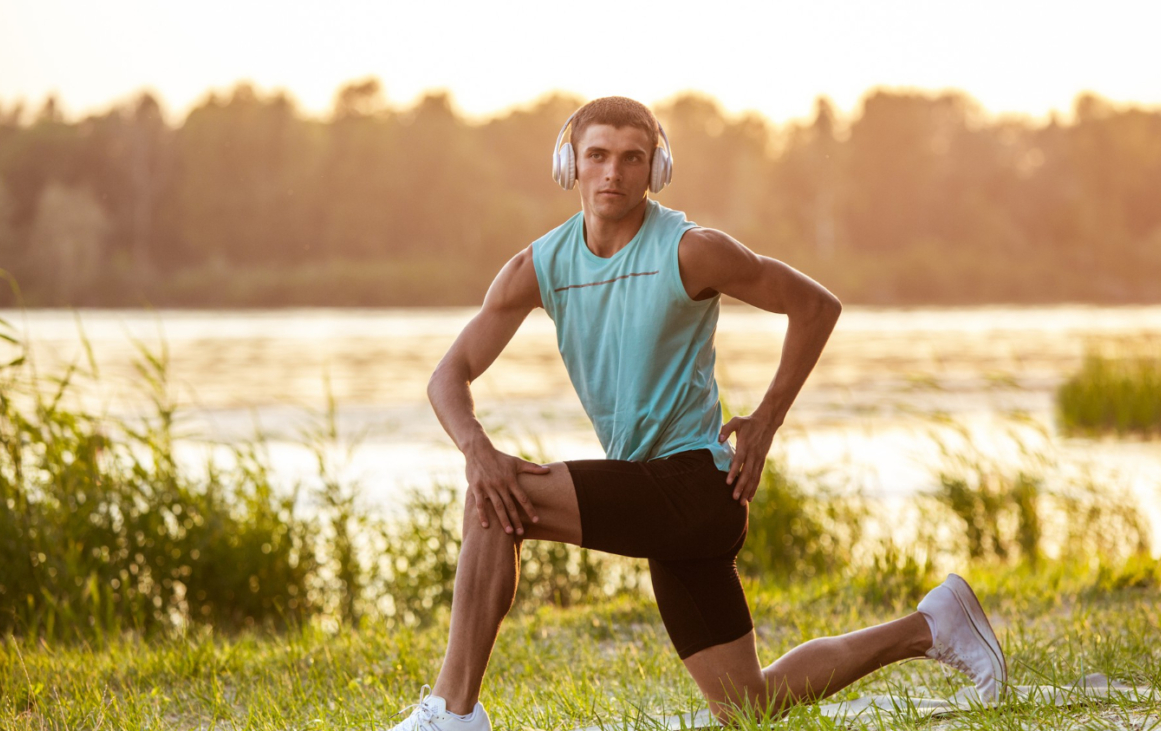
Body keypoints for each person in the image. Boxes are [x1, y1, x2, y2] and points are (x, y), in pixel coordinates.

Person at [387, 97, 1006, 731]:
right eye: (597, 156)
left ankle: (452, 713)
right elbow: (447, 376)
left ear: (656, 168)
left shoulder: (691, 251)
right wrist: (476, 448)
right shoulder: (541, 266)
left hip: (696, 486)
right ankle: (933, 625)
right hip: (653, 496)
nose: (612, 174)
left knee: (496, 501)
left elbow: (816, 307)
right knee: (748, 706)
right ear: (569, 162)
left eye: (633, 158)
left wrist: (766, 419)